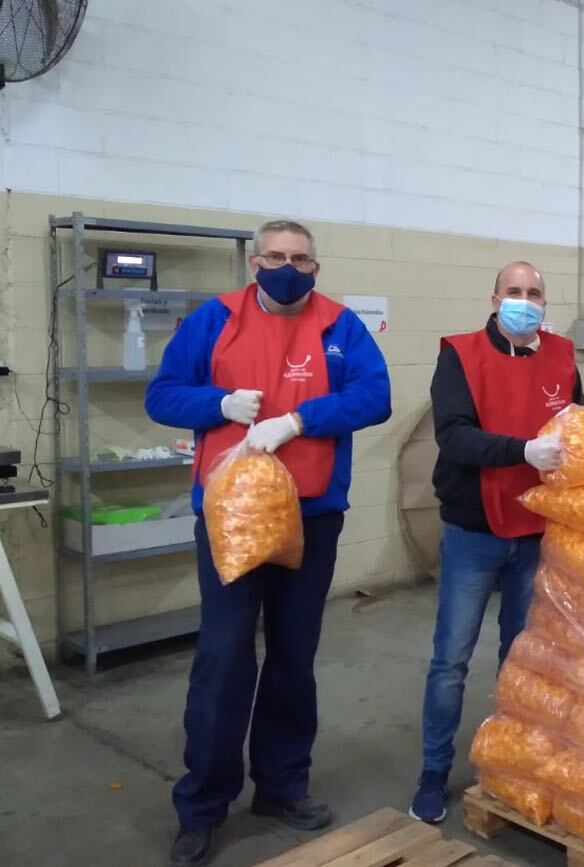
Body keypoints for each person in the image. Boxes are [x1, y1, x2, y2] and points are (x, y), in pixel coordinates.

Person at [146, 220, 392, 867]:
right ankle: (202, 803)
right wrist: (219, 403)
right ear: (256, 261)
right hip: (233, 517)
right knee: (224, 657)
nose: (288, 266)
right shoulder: (215, 319)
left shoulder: (341, 327)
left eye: (300, 258)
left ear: (317, 265)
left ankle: (281, 785)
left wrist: (300, 418)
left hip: (312, 514)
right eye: (276, 256)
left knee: (293, 654)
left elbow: (376, 395)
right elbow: (162, 394)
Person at [411, 261, 583, 824]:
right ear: (494, 299)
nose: (524, 301)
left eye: (534, 293)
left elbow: (577, 428)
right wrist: (522, 452)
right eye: (514, 292)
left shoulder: (560, 355)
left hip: (537, 532)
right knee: (451, 660)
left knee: (523, 657)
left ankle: (511, 765)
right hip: (474, 530)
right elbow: (454, 434)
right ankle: (434, 773)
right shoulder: (459, 354)